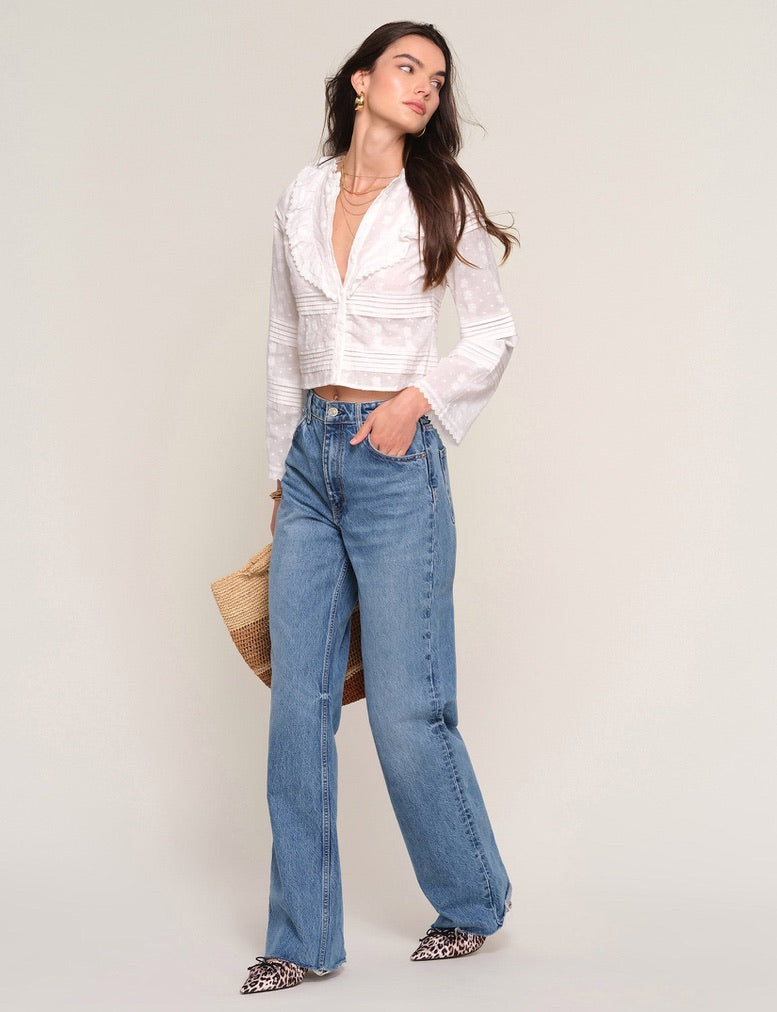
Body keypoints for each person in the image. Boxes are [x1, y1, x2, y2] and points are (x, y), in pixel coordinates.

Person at [240, 21, 518, 995]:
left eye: (437, 79)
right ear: (360, 81)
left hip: (396, 466)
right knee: (298, 710)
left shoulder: (441, 199)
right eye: (407, 67)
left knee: (406, 711)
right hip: (311, 465)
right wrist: (280, 473)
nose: (425, 87)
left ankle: (472, 900)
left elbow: (492, 333)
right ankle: (301, 939)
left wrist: (414, 401)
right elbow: (285, 339)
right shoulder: (302, 194)